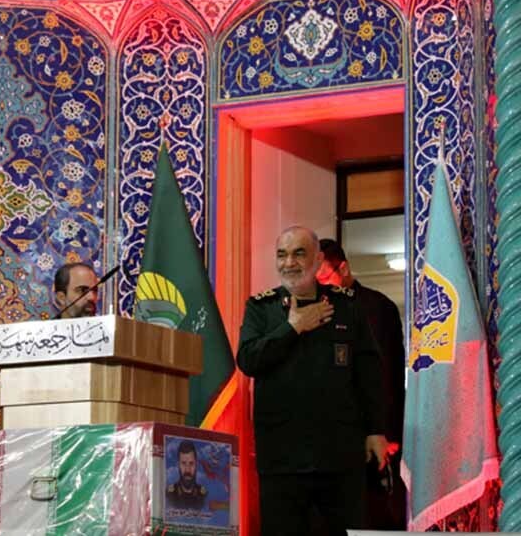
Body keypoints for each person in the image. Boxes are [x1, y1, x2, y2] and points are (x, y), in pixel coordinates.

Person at [236, 226, 388, 536]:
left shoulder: (346, 306)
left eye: (299, 253)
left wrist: (376, 430)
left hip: (340, 456)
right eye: (282, 255)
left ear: (318, 260)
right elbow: (248, 360)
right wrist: (292, 328)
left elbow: (369, 372)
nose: (289, 263)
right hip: (282, 458)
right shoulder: (261, 308)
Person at [317, 238, 407, 530]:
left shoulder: (377, 307)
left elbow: (389, 376)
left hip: (371, 435)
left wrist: (387, 431)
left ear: (343, 269)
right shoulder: (316, 309)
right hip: (330, 437)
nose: (321, 287)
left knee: (373, 513)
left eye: (324, 278)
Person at [166, 440, 208, 510]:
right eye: (183, 463)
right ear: (178, 465)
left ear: (196, 465)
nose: (187, 469)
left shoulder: (204, 495)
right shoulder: (169, 494)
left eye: (191, 463)